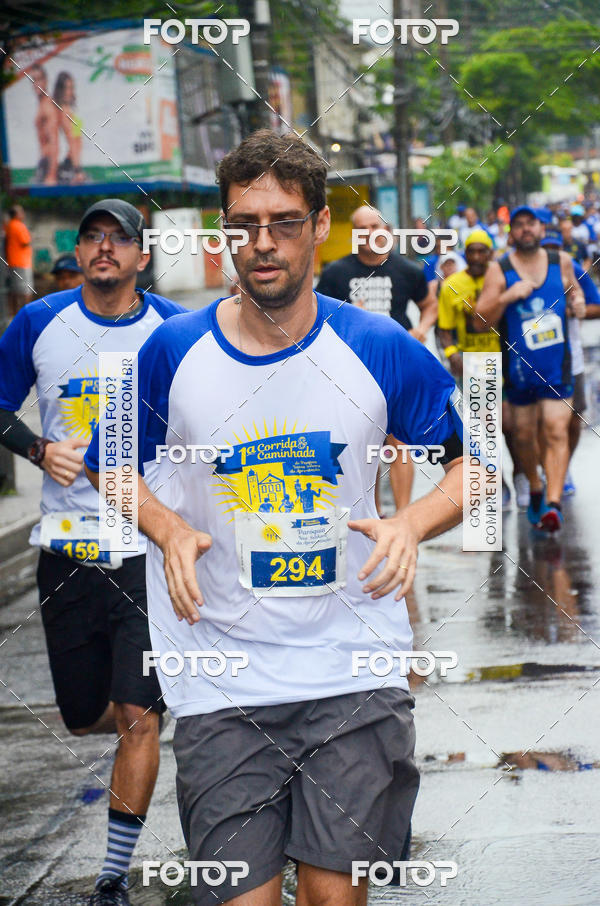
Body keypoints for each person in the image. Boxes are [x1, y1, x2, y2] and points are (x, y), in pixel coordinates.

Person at [85, 130, 465, 906]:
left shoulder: (379, 345)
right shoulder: (171, 351)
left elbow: (477, 460)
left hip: (353, 672)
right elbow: (110, 461)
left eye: (284, 222)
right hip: (223, 681)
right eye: (243, 224)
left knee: (333, 897)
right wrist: (164, 526)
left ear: (320, 225)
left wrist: (411, 523)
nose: (262, 244)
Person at [0, 199, 186, 906]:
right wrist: (37, 448)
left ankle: (112, 876)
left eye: (120, 239)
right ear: (78, 252)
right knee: (86, 713)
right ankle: (151, 696)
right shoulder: (38, 323)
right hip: (66, 551)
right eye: (92, 237)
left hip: (141, 550)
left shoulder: (172, 328)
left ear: (142, 256)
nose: (104, 248)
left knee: (139, 716)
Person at [316, 204, 438, 513]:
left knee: (399, 444)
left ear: (388, 231)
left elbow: (429, 305)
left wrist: (421, 329)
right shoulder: (335, 273)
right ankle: (372, 516)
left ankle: (403, 515)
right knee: (363, 446)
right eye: (363, 229)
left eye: (375, 227)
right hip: (351, 371)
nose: (370, 234)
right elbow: (314, 315)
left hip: (397, 368)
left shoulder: (408, 270)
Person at [475, 205, 585, 532]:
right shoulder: (500, 268)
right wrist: (508, 296)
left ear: (541, 229)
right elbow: (480, 321)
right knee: (523, 436)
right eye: (518, 225)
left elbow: (577, 293)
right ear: (511, 233)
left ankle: (553, 505)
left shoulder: (561, 262)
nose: (525, 229)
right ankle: (535, 489)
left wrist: (577, 302)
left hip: (556, 368)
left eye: (530, 224)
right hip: (519, 371)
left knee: (555, 430)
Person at [436, 229, 522, 508]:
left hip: (506, 360)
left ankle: (521, 475)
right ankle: (498, 485)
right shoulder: (451, 285)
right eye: (470, 251)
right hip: (474, 366)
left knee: (511, 426)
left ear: (490, 254)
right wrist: (451, 354)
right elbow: (444, 330)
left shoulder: (501, 280)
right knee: (485, 430)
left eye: (481, 251)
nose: (475, 257)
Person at [541, 227, 600, 496]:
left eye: (556, 247)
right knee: (538, 423)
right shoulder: (523, 270)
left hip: (571, 360)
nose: (551, 253)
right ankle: (547, 469)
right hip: (534, 362)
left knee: (574, 421)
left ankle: (562, 468)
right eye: (546, 248)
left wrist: (575, 310)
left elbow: (596, 306)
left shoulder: (572, 268)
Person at [29, 63, 59, 186]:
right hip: (43, 163)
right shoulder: (42, 105)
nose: (36, 84)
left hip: (48, 166)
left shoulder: (47, 106)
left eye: (39, 79)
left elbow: (54, 142)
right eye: (33, 80)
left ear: (46, 81)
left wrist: (51, 175)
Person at [53, 71, 85, 185]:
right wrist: (77, 170)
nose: (68, 92)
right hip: (70, 165)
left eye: (71, 88)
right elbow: (72, 142)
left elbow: (77, 140)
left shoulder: (69, 110)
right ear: (59, 90)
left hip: (73, 163)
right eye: (65, 88)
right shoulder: (62, 112)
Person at [4, 204, 33, 317]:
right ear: (16, 214)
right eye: (21, 212)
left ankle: (14, 315)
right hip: (22, 263)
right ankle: (28, 315)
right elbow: (25, 241)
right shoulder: (19, 226)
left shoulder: (8, 225)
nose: (23, 214)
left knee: (14, 290)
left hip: (12, 262)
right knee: (26, 290)